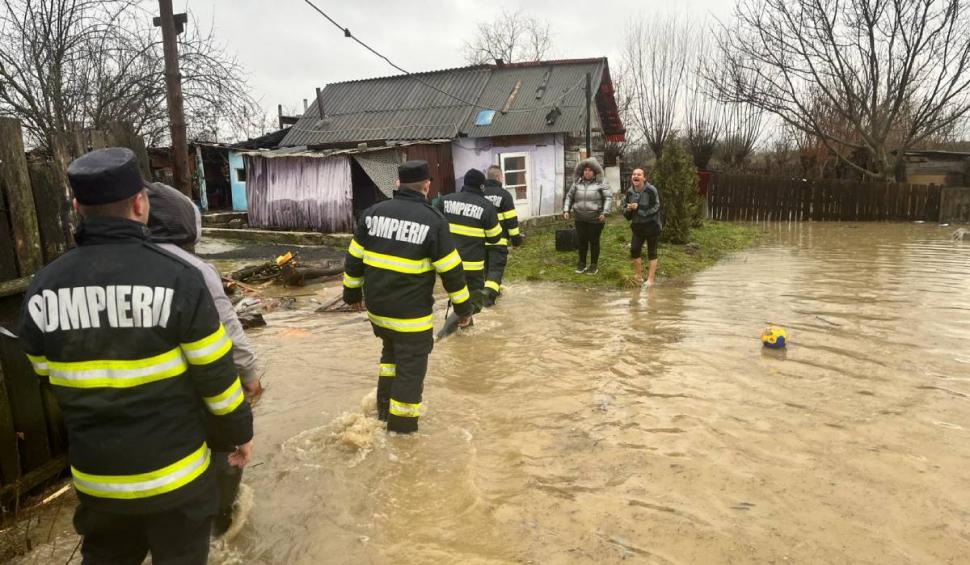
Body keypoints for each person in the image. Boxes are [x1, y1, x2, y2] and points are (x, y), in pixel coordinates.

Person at [18, 147, 253, 564]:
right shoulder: (179, 279)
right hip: (176, 478)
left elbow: (46, 373)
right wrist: (237, 433)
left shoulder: (44, 286)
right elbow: (216, 377)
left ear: (77, 206)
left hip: (98, 482)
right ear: (140, 204)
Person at [146, 181, 262, 536]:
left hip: (135, 410)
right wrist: (251, 376)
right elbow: (228, 330)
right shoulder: (192, 269)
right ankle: (221, 523)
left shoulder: (109, 265)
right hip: (195, 390)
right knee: (223, 451)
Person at [342, 160, 474, 434]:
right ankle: (401, 434)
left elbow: (353, 259)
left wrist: (351, 294)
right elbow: (452, 271)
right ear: (427, 186)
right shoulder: (434, 221)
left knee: (390, 358)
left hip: (378, 312)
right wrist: (464, 309)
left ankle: (381, 414)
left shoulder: (372, 213)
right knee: (410, 371)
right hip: (410, 316)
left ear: (398, 184)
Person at [437, 169, 504, 301]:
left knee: (456, 301)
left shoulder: (444, 201)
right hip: (473, 268)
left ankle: (456, 319)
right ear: (482, 186)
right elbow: (495, 238)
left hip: (449, 265)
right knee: (473, 305)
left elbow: (434, 228)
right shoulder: (487, 207)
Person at [481, 165, 523, 306]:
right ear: (499, 177)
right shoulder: (505, 195)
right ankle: (488, 301)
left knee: (486, 270)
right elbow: (511, 221)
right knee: (495, 271)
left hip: (480, 242)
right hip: (498, 241)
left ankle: (490, 293)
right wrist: (516, 241)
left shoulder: (480, 194)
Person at [563, 157, 612, 274]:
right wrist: (566, 210)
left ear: (595, 172)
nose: (587, 172)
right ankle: (582, 263)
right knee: (582, 241)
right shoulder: (577, 183)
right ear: (582, 171)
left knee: (594, 241)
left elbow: (608, 198)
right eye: (585, 170)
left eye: (590, 170)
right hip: (580, 218)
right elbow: (569, 197)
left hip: (596, 219)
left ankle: (593, 265)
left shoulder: (601, 183)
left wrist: (605, 213)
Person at [623, 168, 662, 287]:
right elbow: (625, 210)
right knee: (634, 249)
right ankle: (639, 276)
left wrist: (639, 208)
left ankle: (650, 279)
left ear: (643, 178)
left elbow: (656, 207)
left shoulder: (651, 190)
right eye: (634, 174)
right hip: (637, 226)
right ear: (632, 178)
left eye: (639, 174)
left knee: (652, 252)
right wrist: (628, 209)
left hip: (652, 225)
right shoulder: (629, 192)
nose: (636, 176)